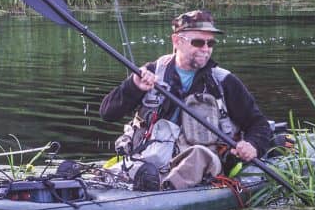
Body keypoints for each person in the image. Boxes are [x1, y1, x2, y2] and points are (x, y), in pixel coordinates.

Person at [99, 10, 272, 189]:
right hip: (148, 161)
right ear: (176, 41)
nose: (205, 49)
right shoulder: (149, 74)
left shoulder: (224, 82)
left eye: (210, 43)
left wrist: (253, 145)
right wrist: (133, 86)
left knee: (199, 154)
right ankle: (134, 180)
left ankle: (164, 187)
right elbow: (107, 113)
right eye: (198, 42)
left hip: (200, 166)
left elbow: (259, 124)